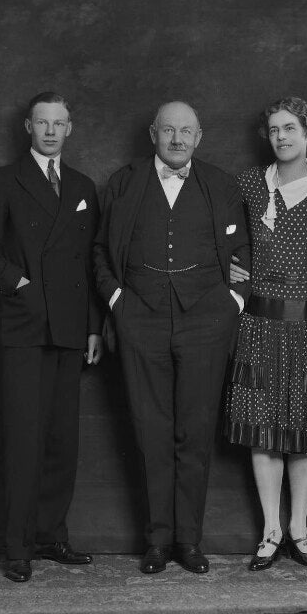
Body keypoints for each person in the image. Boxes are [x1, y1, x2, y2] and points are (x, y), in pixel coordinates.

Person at [94, 101, 251, 575]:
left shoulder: (221, 184)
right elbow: (101, 251)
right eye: (169, 131)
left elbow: (242, 249)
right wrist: (119, 301)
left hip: (206, 320)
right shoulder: (123, 183)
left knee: (195, 432)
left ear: (199, 137)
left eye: (186, 132)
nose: (178, 140)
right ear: (153, 134)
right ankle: (157, 540)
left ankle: (189, 541)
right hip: (139, 318)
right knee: (150, 432)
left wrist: (233, 302)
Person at [0, 92, 104, 583]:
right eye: (42, 122)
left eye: (59, 123)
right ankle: (18, 545)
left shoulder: (85, 185)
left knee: (61, 441)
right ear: (28, 127)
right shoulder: (3, 182)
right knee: (24, 438)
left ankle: (51, 536)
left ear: (70, 129)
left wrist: (92, 326)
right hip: (25, 327)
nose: (50, 131)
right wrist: (20, 285)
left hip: (70, 329)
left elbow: (90, 267)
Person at [226, 96, 307, 571]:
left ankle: (300, 528)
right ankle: (270, 530)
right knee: (264, 428)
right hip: (261, 322)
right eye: (274, 129)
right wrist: (232, 267)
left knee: (306, 429)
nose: (281, 137)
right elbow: (227, 237)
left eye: (290, 128)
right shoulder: (251, 184)